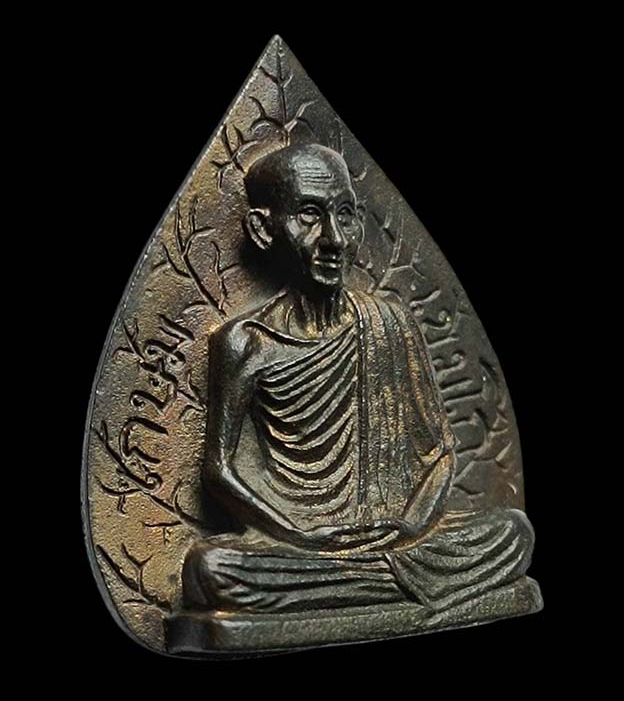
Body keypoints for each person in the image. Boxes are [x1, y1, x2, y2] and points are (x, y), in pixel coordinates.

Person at [181, 142, 534, 614]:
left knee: (512, 532)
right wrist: (301, 534)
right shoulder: (246, 342)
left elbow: (439, 453)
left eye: (344, 215)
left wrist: (412, 525)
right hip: (299, 539)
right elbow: (220, 470)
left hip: (396, 532)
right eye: (309, 215)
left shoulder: (390, 321)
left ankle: (356, 585)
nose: (333, 239)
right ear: (263, 229)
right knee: (211, 569)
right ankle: (397, 584)